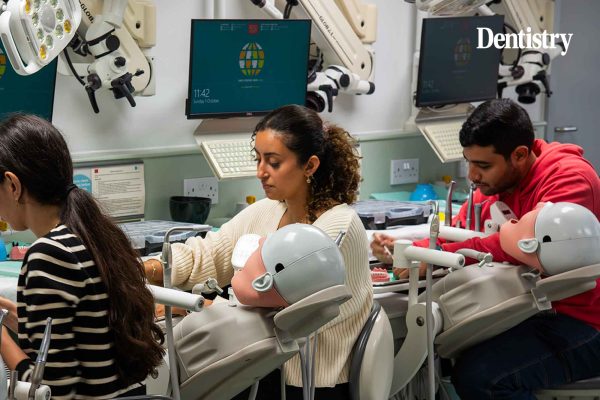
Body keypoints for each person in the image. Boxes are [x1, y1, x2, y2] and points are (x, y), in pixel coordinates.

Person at [371, 98, 600, 399]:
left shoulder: (569, 179)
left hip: (581, 319)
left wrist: (440, 255)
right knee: (443, 352)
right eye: (469, 162)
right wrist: (407, 251)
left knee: (481, 377)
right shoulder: (497, 183)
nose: (473, 175)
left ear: (520, 155)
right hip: (530, 308)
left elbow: (524, 244)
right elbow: (463, 230)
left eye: (483, 165)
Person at [144, 104, 372, 399]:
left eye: (273, 162)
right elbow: (208, 254)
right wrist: (145, 268)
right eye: (259, 159)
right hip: (264, 369)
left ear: (310, 166)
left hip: (309, 382)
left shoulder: (337, 227)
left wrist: (189, 305)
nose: (261, 172)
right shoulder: (268, 210)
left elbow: (277, 314)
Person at [0, 114, 165, 398]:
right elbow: (88, 333)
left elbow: (51, 392)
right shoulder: (94, 235)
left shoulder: (46, 256)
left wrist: (3, 340)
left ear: (13, 185)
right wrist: (22, 321)